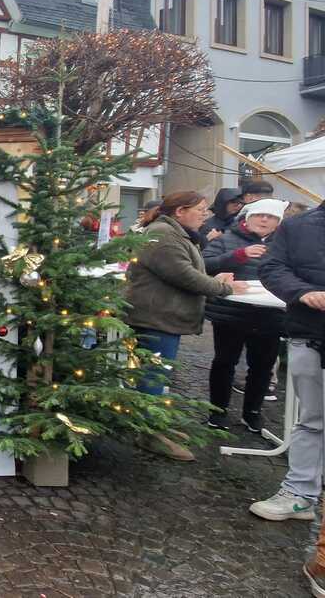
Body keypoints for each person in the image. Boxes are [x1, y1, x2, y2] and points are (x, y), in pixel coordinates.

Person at [125, 191, 246, 461]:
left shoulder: (172, 232)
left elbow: (188, 271)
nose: (205, 214)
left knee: (157, 375)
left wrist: (214, 279)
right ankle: (148, 433)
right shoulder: (164, 235)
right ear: (180, 211)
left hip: (164, 315)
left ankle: (154, 424)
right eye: (200, 209)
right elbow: (183, 275)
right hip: (156, 317)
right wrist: (224, 287)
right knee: (152, 378)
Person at [249, 200, 325, 532]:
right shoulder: (298, 226)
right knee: (312, 420)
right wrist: (303, 292)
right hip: (310, 333)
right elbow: (271, 268)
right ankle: (299, 494)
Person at [201, 198, 288, 433]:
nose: (264, 219)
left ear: (278, 223)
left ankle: (252, 413)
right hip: (232, 314)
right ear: (247, 218)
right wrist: (238, 255)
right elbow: (204, 265)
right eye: (260, 215)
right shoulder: (227, 239)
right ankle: (217, 412)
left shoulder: (285, 244)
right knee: (224, 363)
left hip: (270, 315)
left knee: (262, 366)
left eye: (271, 217)